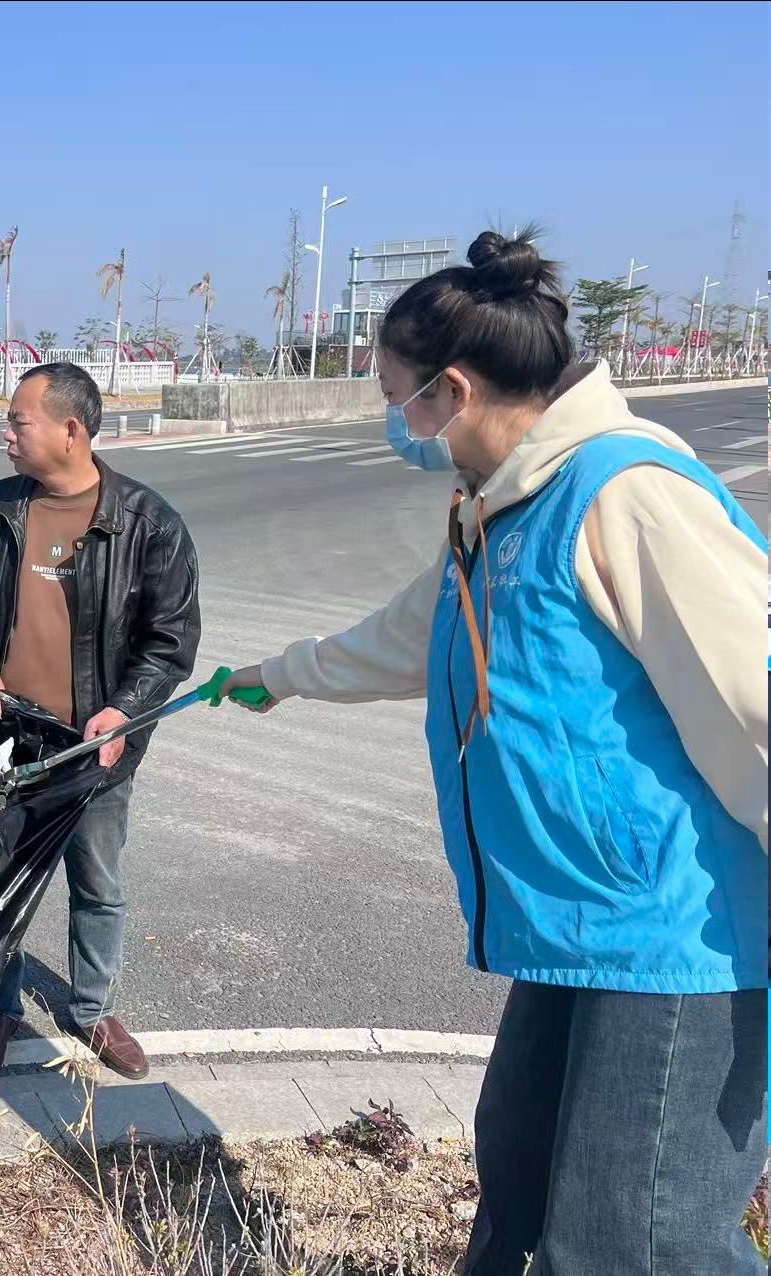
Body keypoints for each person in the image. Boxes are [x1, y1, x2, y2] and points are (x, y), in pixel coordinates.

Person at [222, 229, 768, 1275]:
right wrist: (276, 675)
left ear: (456, 390)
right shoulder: (499, 510)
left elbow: (754, 697)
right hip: (580, 926)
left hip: (680, 935)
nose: (398, 424)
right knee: (518, 1187)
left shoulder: (626, 493)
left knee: (637, 1241)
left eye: (399, 399)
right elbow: (414, 635)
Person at [0, 362, 199, 1080]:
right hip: (5, 739)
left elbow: (171, 639)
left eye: (18, 421)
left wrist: (125, 711)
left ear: (71, 430)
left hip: (94, 747)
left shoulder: (149, 524)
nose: (6, 433)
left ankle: (91, 1009)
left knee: (98, 882)